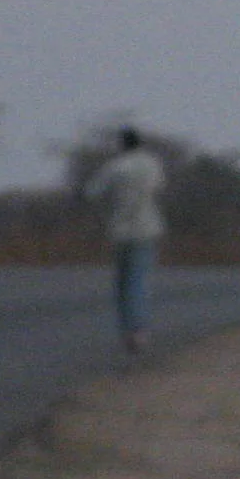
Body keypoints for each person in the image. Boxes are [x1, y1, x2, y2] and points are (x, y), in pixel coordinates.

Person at [83, 126, 165, 353]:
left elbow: (93, 192)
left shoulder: (115, 166)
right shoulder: (151, 164)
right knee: (138, 280)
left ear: (121, 144)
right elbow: (158, 187)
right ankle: (139, 331)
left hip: (120, 229)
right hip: (147, 227)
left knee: (122, 282)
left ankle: (127, 329)